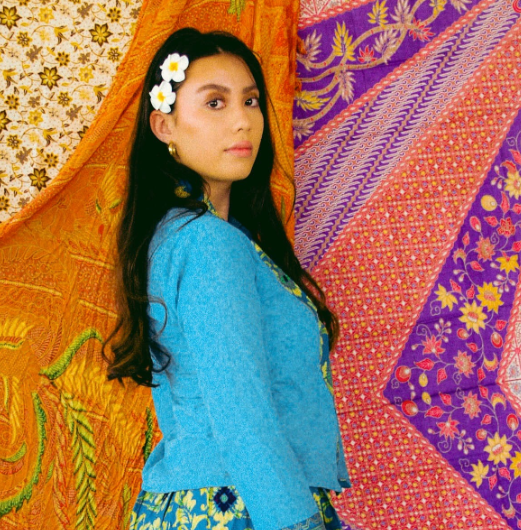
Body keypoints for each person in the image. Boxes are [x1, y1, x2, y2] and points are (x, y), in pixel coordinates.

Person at [103, 27, 351, 530]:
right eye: (215, 102)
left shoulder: (177, 236)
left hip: (201, 505)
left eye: (251, 101)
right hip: (245, 507)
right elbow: (243, 418)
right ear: (164, 126)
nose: (242, 120)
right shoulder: (209, 244)